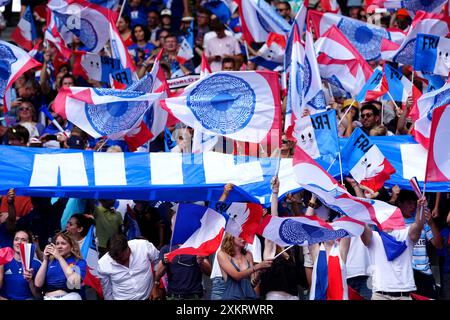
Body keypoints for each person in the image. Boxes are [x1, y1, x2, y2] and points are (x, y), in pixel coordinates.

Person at [360, 196, 429, 300]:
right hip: (380, 295)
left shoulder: (406, 235)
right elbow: (362, 225)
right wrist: (356, 206)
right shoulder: (374, 237)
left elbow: (418, 225)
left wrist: (421, 207)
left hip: (404, 295)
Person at [153, 212, 212, 300]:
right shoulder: (166, 249)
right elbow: (158, 273)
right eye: (176, 225)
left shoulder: (198, 246)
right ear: (171, 228)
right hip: (173, 296)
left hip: (195, 296)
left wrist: (201, 262)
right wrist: (165, 261)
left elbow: (209, 272)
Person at [398, 190, 443, 299]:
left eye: (414, 203)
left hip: (424, 273)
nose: (412, 206)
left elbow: (439, 245)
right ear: (400, 203)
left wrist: (431, 223)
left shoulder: (423, 220)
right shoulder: (394, 222)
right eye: (409, 203)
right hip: (403, 275)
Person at [97, 233, 160, 300]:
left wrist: (155, 286)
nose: (119, 261)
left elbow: (158, 261)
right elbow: (107, 291)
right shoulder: (102, 264)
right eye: (115, 259)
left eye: (121, 258)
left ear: (128, 247)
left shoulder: (143, 246)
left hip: (149, 297)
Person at [217, 233, 272, 300]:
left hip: (250, 297)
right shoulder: (222, 254)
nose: (244, 239)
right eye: (241, 236)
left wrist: (259, 272)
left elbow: (252, 283)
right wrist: (257, 267)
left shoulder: (248, 255)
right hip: (232, 297)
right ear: (231, 236)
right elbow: (236, 276)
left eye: (245, 236)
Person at [34, 232, 87, 300]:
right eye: (57, 244)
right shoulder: (49, 262)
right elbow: (38, 284)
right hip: (48, 297)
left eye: (63, 243)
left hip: (70, 297)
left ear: (71, 246)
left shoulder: (79, 262)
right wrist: (45, 260)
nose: (59, 246)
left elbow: (74, 282)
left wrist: (59, 258)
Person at [0, 230, 42, 300]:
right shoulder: (4, 261)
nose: (19, 242)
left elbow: (39, 296)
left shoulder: (37, 264)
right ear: (13, 242)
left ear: (29, 243)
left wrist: (30, 281)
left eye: (23, 240)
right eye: (16, 239)